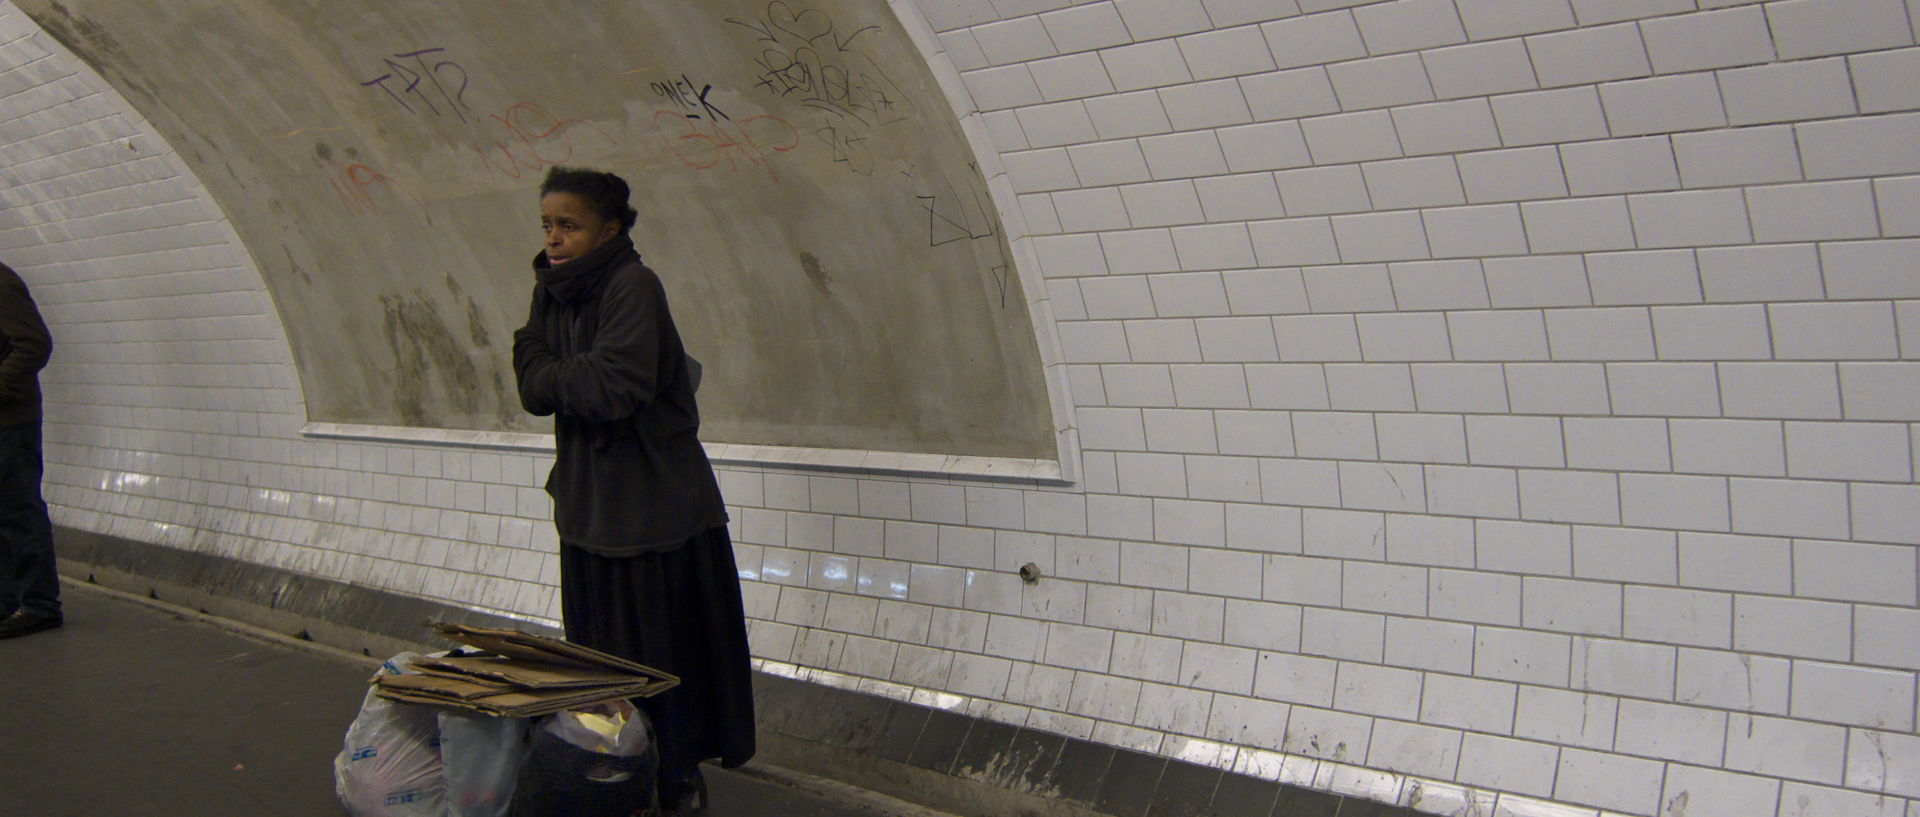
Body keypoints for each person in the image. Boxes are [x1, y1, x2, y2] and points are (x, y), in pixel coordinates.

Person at [511, 167, 753, 816]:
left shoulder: (633, 286)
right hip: (589, 510)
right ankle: (616, 773)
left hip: (655, 514)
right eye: (548, 225)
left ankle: (673, 776)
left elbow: (611, 389)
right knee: (601, 661)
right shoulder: (552, 291)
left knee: (661, 661)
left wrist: (553, 371)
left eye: (569, 225)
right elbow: (529, 383)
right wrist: (563, 373)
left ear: (607, 230)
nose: (555, 238)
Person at [0, 259, 59, 640]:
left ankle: (40, 604)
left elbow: (34, 343)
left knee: (18, 511)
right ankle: (6, 601)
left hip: (9, 422)